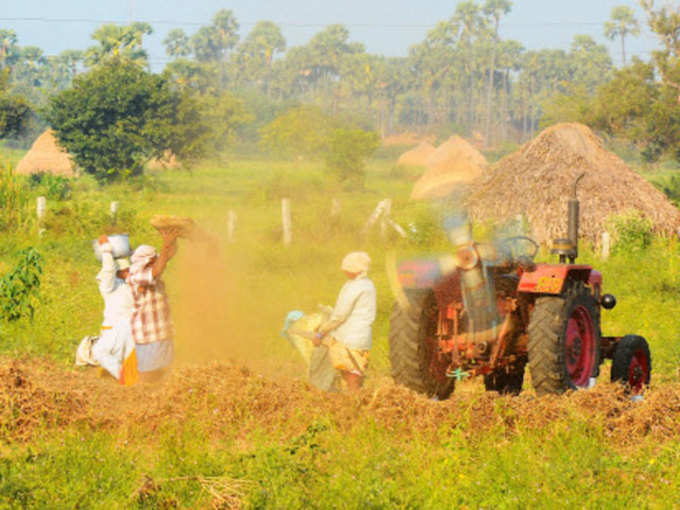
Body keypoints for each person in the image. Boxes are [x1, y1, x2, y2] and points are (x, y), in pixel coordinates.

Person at [313, 251, 376, 391]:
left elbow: (339, 316)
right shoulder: (365, 284)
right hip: (358, 336)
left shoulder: (356, 287)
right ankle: (351, 401)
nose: (344, 271)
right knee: (351, 372)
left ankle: (353, 405)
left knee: (351, 374)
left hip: (351, 337)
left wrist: (320, 334)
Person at [127, 228, 179, 379]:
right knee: (149, 375)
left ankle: (158, 399)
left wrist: (173, 239)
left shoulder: (149, 271)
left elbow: (167, 257)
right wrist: (165, 245)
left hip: (161, 332)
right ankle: (143, 399)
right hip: (148, 335)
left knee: (164, 373)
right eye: (153, 260)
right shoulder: (136, 276)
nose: (157, 261)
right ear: (147, 262)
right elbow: (158, 268)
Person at [91, 235, 136, 383]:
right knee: (104, 356)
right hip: (116, 329)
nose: (130, 272)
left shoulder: (130, 284)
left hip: (127, 329)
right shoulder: (108, 285)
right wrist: (107, 249)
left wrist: (130, 252)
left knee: (103, 354)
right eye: (126, 270)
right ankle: (124, 379)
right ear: (119, 272)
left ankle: (125, 380)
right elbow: (109, 268)